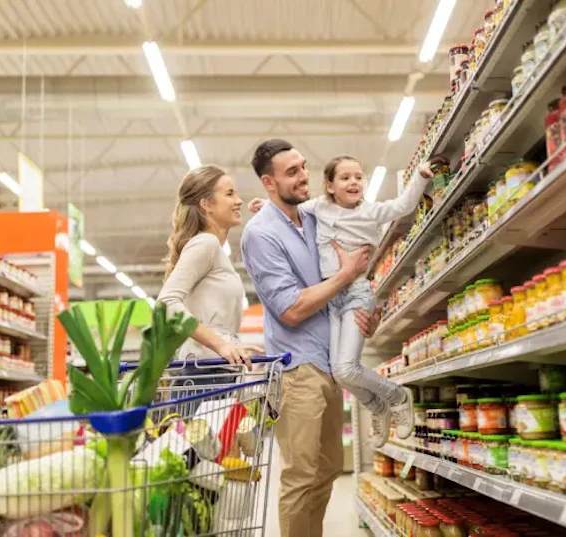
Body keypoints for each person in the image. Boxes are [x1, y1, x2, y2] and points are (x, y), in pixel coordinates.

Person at [241, 139, 381, 537]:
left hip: (330, 361)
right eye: (292, 172)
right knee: (301, 474)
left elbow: (350, 263)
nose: (304, 177)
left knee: (329, 468)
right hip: (296, 367)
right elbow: (291, 308)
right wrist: (345, 276)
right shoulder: (260, 234)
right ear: (269, 183)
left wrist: (366, 309)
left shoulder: (314, 217)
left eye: (303, 167)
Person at [247, 155, 432, 447]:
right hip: (330, 298)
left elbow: (402, 206)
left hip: (357, 292)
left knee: (347, 368)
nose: (354, 182)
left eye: (359, 177)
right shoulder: (317, 207)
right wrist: (263, 207)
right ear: (330, 186)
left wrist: (421, 176)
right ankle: (377, 406)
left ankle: (396, 396)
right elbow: (285, 209)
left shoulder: (370, 212)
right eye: (345, 178)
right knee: (339, 373)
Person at [157, 164, 264, 371]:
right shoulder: (206, 243)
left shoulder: (215, 250)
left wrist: (231, 342)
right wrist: (221, 344)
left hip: (212, 367)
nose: (239, 201)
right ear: (206, 204)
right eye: (230, 194)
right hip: (205, 370)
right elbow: (166, 303)